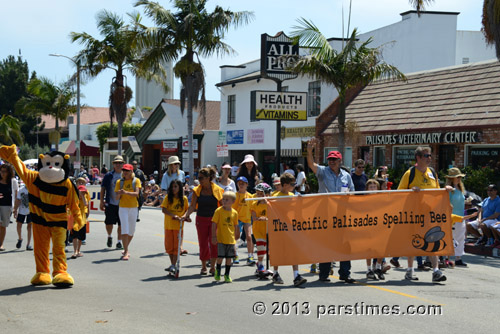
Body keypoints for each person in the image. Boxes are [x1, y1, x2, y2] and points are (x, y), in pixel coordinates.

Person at [397, 146, 450, 282]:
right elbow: (398, 193)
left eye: (430, 156)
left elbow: (437, 192)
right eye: (426, 156)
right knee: (414, 241)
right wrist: (410, 191)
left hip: (430, 214)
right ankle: (409, 270)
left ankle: (436, 271)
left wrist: (446, 190)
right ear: (418, 158)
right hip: (413, 215)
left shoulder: (432, 172)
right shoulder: (410, 174)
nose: (429, 158)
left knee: (434, 240)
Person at [307, 137, 355, 283]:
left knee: (345, 245)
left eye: (334, 159)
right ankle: (324, 274)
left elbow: (353, 192)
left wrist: (349, 195)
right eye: (330, 159)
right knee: (327, 244)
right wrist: (309, 151)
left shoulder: (346, 175)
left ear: (340, 161)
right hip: (326, 213)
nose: (331, 161)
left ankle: (345, 274)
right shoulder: (323, 171)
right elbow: (311, 164)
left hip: (342, 214)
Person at [182, 167, 224, 275]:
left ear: (208, 178)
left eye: (201, 178)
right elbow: (192, 206)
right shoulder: (197, 190)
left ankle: (213, 266)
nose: (199, 180)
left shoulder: (217, 190)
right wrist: (185, 215)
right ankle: (204, 266)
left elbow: (223, 206)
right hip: (201, 219)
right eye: (198, 177)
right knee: (203, 243)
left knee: (214, 242)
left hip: (214, 220)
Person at [271, 172, 307, 287]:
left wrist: (299, 200)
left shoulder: (292, 195)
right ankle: (275, 273)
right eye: (292, 184)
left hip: (290, 227)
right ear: (285, 185)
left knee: (294, 250)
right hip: (279, 228)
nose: (294, 186)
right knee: (278, 251)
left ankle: (296, 275)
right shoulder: (274, 197)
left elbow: (297, 209)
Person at [446, 168, 477, 266]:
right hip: (452, 216)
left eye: (460, 177)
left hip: (461, 215)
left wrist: (466, 202)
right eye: (457, 177)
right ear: (452, 178)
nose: (459, 179)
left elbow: (458, 201)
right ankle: (447, 258)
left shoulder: (460, 189)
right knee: (451, 237)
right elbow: (446, 203)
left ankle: (458, 258)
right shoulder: (449, 190)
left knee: (460, 238)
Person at [161, 179, 190, 274]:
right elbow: (164, 210)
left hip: (178, 226)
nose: (174, 189)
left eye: (176, 187)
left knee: (176, 247)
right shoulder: (168, 198)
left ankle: (173, 265)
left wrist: (185, 217)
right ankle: (172, 264)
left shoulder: (184, 199)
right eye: (172, 187)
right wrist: (174, 215)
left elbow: (187, 210)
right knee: (169, 246)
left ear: (180, 188)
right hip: (169, 225)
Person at [211, 191, 240, 283]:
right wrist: (213, 236)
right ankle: (218, 271)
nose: (224, 201)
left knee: (229, 258)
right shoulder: (218, 211)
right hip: (221, 239)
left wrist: (237, 234)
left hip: (230, 239)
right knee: (220, 257)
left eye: (227, 199)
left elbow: (236, 225)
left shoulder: (234, 213)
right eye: (223, 199)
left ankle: (227, 275)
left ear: (233, 201)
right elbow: (214, 224)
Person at [115, 163, 141, 261]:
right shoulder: (119, 182)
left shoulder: (136, 181)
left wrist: (125, 192)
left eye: (127, 171)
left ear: (131, 171)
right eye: (124, 170)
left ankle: (126, 246)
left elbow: (136, 194)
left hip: (134, 207)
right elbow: (116, 197)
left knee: (131, 231)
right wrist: (119, 194)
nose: (125, 172)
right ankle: (126, 251)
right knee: (124, 229)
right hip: (123, 208)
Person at [100, 156, 124, 249]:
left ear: (123, 164)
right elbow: (103, 188)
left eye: (120, 163)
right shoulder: (108, 175)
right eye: (116, 163)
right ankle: (109, 236)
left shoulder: (126, 175)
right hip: (110, 203)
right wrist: (101, 201)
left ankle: (119, 242)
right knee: (109, 223)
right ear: (113, 164)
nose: (118, 165)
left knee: (121, 223)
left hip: (123, 204)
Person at [364, 179, 386, 280]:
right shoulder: (363, 199)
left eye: (374, 187)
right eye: (371, 187)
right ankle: (369, 269)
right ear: (367, 189)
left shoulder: (382, 198)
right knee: (369, 248)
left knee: (381, 248)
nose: (373, 189)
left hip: (380, 226)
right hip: (368, 226)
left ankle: (378, 267)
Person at [251, 183, 273, 275]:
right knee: (260, 247)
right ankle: (260, 265)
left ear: (267, 194)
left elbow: (273, 216)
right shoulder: (254, 204)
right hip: (258, 229)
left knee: (266, 249)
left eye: (261, 193)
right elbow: (254, 217)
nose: (259, 196)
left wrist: (267, 219)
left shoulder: (270, 204)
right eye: (258, 193)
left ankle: (261, 264)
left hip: (268, 229)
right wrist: (261, 218)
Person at [233, 176, 255, 265]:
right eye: (239, 183)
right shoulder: (235, 195)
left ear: (247, 185)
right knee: (236, 237)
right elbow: (232, 209)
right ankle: (235, 255)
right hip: (237, 219)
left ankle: (250, 256)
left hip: (247, 219)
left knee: (249, 237)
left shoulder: (250, 196)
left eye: (243, 183)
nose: (241, 185)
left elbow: (253, 209)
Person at [0, 163, 19, 251]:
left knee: (3, 226)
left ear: (9, 172)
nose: (2, 173)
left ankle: (1, 244)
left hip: (7, 206)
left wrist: (15, 209)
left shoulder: (13, 181)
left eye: (4, 171)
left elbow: (16, 196)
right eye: (1, 171)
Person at [70, 184, 89, 259]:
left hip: (82, 220)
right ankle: (75, 251)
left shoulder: (84, 199)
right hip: (75, 220)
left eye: (84, 192)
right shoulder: (75, 199)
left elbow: (85, 204)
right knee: (75, 236)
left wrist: (83, 196)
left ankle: (78, 250)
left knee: (81, 237)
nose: (83, 194)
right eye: (81, 192)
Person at [13, 182, 32, 250]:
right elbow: (18, 200)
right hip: (22, 210)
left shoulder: (33, 189)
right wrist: (15, 210)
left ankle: (28, 244)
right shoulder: (21, 189)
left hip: (31, 211)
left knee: (29, 226)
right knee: (19, 225)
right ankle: (20, 238)